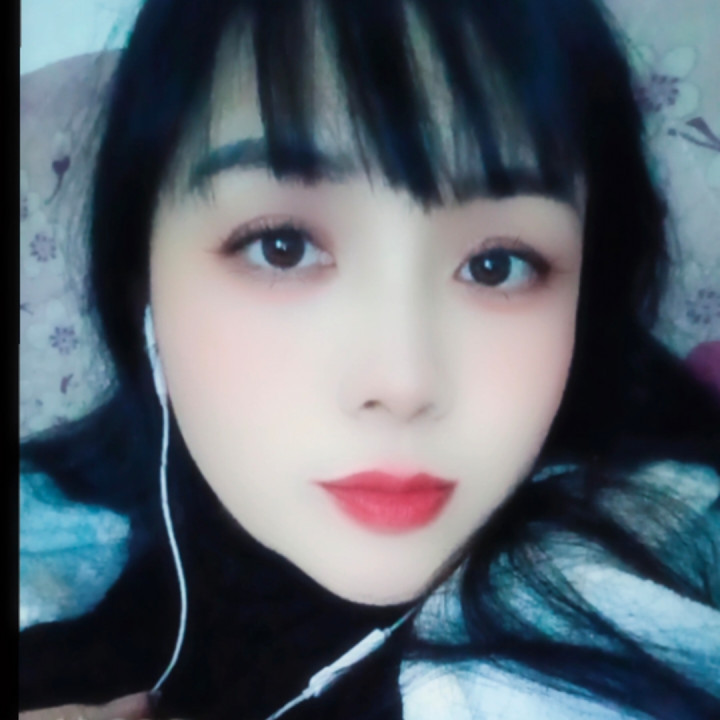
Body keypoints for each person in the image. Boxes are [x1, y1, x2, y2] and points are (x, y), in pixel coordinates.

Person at [19, 0, 720, 718]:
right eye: (282, 247)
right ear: (143, 279)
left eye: (497, 265)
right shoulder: (53, 539)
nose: (402, 383)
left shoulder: (627, 563)